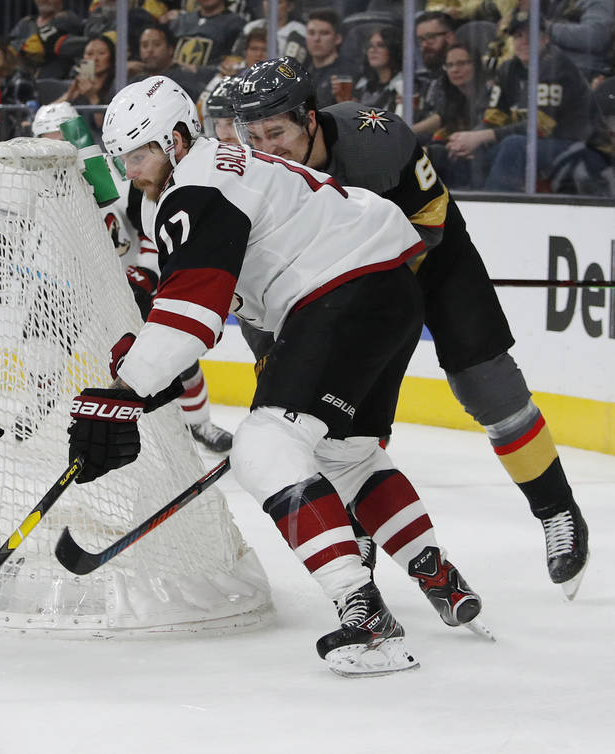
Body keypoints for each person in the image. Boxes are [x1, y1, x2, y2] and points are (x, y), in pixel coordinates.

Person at [70, 75, 485, 676]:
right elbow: (182, 306)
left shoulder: (196, 185)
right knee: (348, 456)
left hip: (341, 289)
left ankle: (368, 620)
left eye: (140, 154)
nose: (132, 170)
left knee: (264, 447)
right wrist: (137, 373)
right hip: (387, 288)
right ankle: (438, 575)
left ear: (177, 138)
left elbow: (191, 317)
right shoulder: (214, 171)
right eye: (124, 159)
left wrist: (121, 392)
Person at [230, 56, 589, 599]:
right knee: (334, 421)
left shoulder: (376, 141)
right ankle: (361, 520)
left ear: (309, 119)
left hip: (427, 264)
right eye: (252, 135)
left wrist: (366, 296)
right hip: (336, 293)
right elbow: (256, 286)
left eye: (275, 132)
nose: (265, 149)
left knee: (485, 382)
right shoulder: (252, 178)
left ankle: (556, 508)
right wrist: (272, 357)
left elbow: (432, 221)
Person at [30, 101, 235, 452]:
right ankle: (35, 409)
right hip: (71, 282)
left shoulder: (115, 175)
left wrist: (145, 273)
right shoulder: (32, 183)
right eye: (43, 139)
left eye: (59, 137)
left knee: (176, 356)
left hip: (127, 283)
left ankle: (200, 424)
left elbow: (153, 227)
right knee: (42, 348)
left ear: (75, 136)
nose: (54, 148)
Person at [465, 15, 609, 192]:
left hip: (585, 150)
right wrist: (469, 139)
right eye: (518, 36)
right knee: (473, 154)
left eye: (530, 35)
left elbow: (541, 127)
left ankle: (494, 211)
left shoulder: (557, 66)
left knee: (514, 145)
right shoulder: (508, 70)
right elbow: (494, 119)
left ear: (545, 38)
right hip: (545, 148)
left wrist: (484, 136)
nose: (524, 42)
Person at [420, 44, 493, 188]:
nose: (454, 69)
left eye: (461, 63)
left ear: (476, 65)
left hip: (481, 156)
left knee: (431, 154)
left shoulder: (490, 93)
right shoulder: (454, 98)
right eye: (450, 65)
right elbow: (442, 120)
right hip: (458, 152)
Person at [55, 35, 118, 138]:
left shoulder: (116, 84)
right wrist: (69, 95)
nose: (95, 59)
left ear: (111, 57)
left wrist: (92, 97)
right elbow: (50, 115)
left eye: (101, 53)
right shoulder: (79, 86)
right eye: (89, 54)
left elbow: (104, 126)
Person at [130, 23, 210, 99]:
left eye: (157, 44)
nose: (150, 50)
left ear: (170, 49)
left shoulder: (184, 78)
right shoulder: (135, 82)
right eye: (145, 45)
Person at [9, 0, 86, 80]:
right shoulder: (25, 24)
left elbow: (36, 48)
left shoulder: (70, 21)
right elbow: (7, 53)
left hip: (60, 85)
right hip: (25, 85)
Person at [412, 11, 460, 137]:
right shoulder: (424, 77)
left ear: (450, 37)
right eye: (421, 40)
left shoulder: (460, 70)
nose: (424, 45)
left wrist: (404, 132)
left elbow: (445, 116)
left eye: (430, 37)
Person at [169, 0, 246, 75]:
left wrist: (202, 70)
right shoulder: (181, 20)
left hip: (210, 81)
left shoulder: (236, 24)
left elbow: (234, 61)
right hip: (173, 77)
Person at [304, 9, 359, 108]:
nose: (317, 39)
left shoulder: (348, 73)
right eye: (311, 33)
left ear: (338, 39)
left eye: (324, 33)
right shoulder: (304, 73)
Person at [351, 26, 406, 119]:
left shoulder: (402, 85)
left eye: (381, 45)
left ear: (393, 50)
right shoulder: (362, 84)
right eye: (370, 46)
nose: (373, 50)